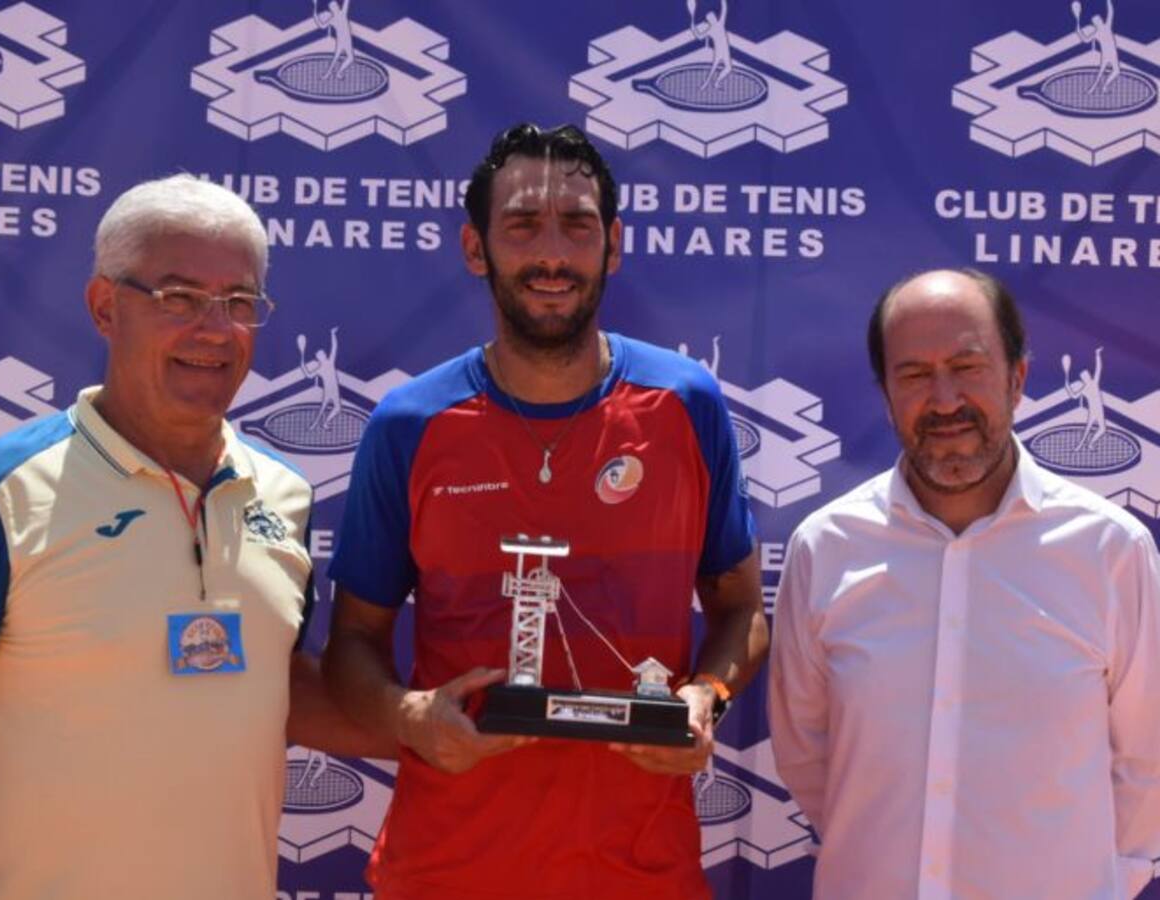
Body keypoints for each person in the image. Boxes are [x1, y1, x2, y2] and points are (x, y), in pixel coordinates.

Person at [324, 123, 767, 900]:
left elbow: (742, 611)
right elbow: (352, 645)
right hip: (447, 873)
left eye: (578, 225)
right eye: (523, 225)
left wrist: (708, 698)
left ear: (614, 245)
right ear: (476, 248)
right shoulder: (410, 423)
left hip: (642, 875)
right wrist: (409, 715)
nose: (553, 254)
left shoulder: (685, 403)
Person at [0, 174, 392, 899]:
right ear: (105, 307)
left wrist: (433, 726)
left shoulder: (283, 494)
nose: (215, 330)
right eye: (179, 297)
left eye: (239, 302)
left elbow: (276, 687)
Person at [768, 268, 1160, 899]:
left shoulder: (1110, 551)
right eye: (914, 375)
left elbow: (1148, 761)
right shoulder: (825, 549)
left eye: (967, 367)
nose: (945, 399)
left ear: (1017, 378)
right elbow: (807, 755)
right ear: (886, 394)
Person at [1063, 344, 1107, 450]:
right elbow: (1074, 396)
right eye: (1086, 375)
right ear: (1084, 378)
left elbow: (1098, 368)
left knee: (1102, 429)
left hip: (1098, 409)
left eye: (1088, 374)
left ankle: (1089, 444)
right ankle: (1081, 446)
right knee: (1088, 430)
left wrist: (1097, 355)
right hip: (1094, 410)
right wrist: (1067, 387)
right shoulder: (1087, 387)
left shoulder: (1093, 383)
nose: (1088, 375)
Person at [1074, 0, 1120, 93]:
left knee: (1108, 72)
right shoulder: (1105, 27)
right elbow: (1110, 12)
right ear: (1096, 23)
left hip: (1108, 53)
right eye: (1098, 19)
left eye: (1099, 19)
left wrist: (1079, 32)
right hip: (1111, 53)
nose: (1100, 20)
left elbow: (1085, 40)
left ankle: (1098, 88)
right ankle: (1101, 87)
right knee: (1112, 71)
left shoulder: (1099, 31)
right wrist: (1079, 32)